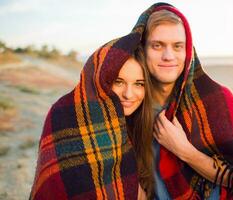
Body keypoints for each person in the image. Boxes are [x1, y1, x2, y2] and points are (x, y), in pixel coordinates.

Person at [138, 2, 233, 200]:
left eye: (178, 46)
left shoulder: (218, 100)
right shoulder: (131, 106)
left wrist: (183, 150)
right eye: (157, 45)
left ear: (189, 52)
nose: (168, 56)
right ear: (142, 49)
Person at [30, 42, 154, 199]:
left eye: (139, 84)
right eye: (119, 82)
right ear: (101, 80)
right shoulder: (64, 115)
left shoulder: (140, 122)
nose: (128, 94)